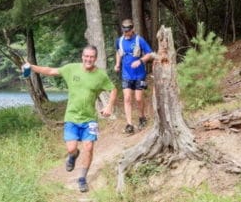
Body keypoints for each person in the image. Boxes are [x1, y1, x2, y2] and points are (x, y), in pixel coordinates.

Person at [22, 45, 117, 192]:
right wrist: (31, 66)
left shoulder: (100, 75)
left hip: (89, 119)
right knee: (72, 148)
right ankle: (73, 156)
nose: (89, 59)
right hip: (72, 117)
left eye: (92, 57)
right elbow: (50, 70)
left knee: (89, 147)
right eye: (86, 56)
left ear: (95, 59)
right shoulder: (71, 68)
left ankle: (82, 178)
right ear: (82, 56)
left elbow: (113, 89)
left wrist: (109, 106)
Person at [114, 19, 154, 134]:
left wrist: (140, 61)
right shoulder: (119, 41)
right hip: (126, 74)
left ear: (133, 29)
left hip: (139, 74)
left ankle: (142, 117)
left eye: (129, 30)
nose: (127, 33)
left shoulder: (139, 40)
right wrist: (117, 64)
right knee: (127, 98)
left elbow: (149, 53)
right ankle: (129, 124)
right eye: (125, 30)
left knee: (138, 98)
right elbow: (118, 52)